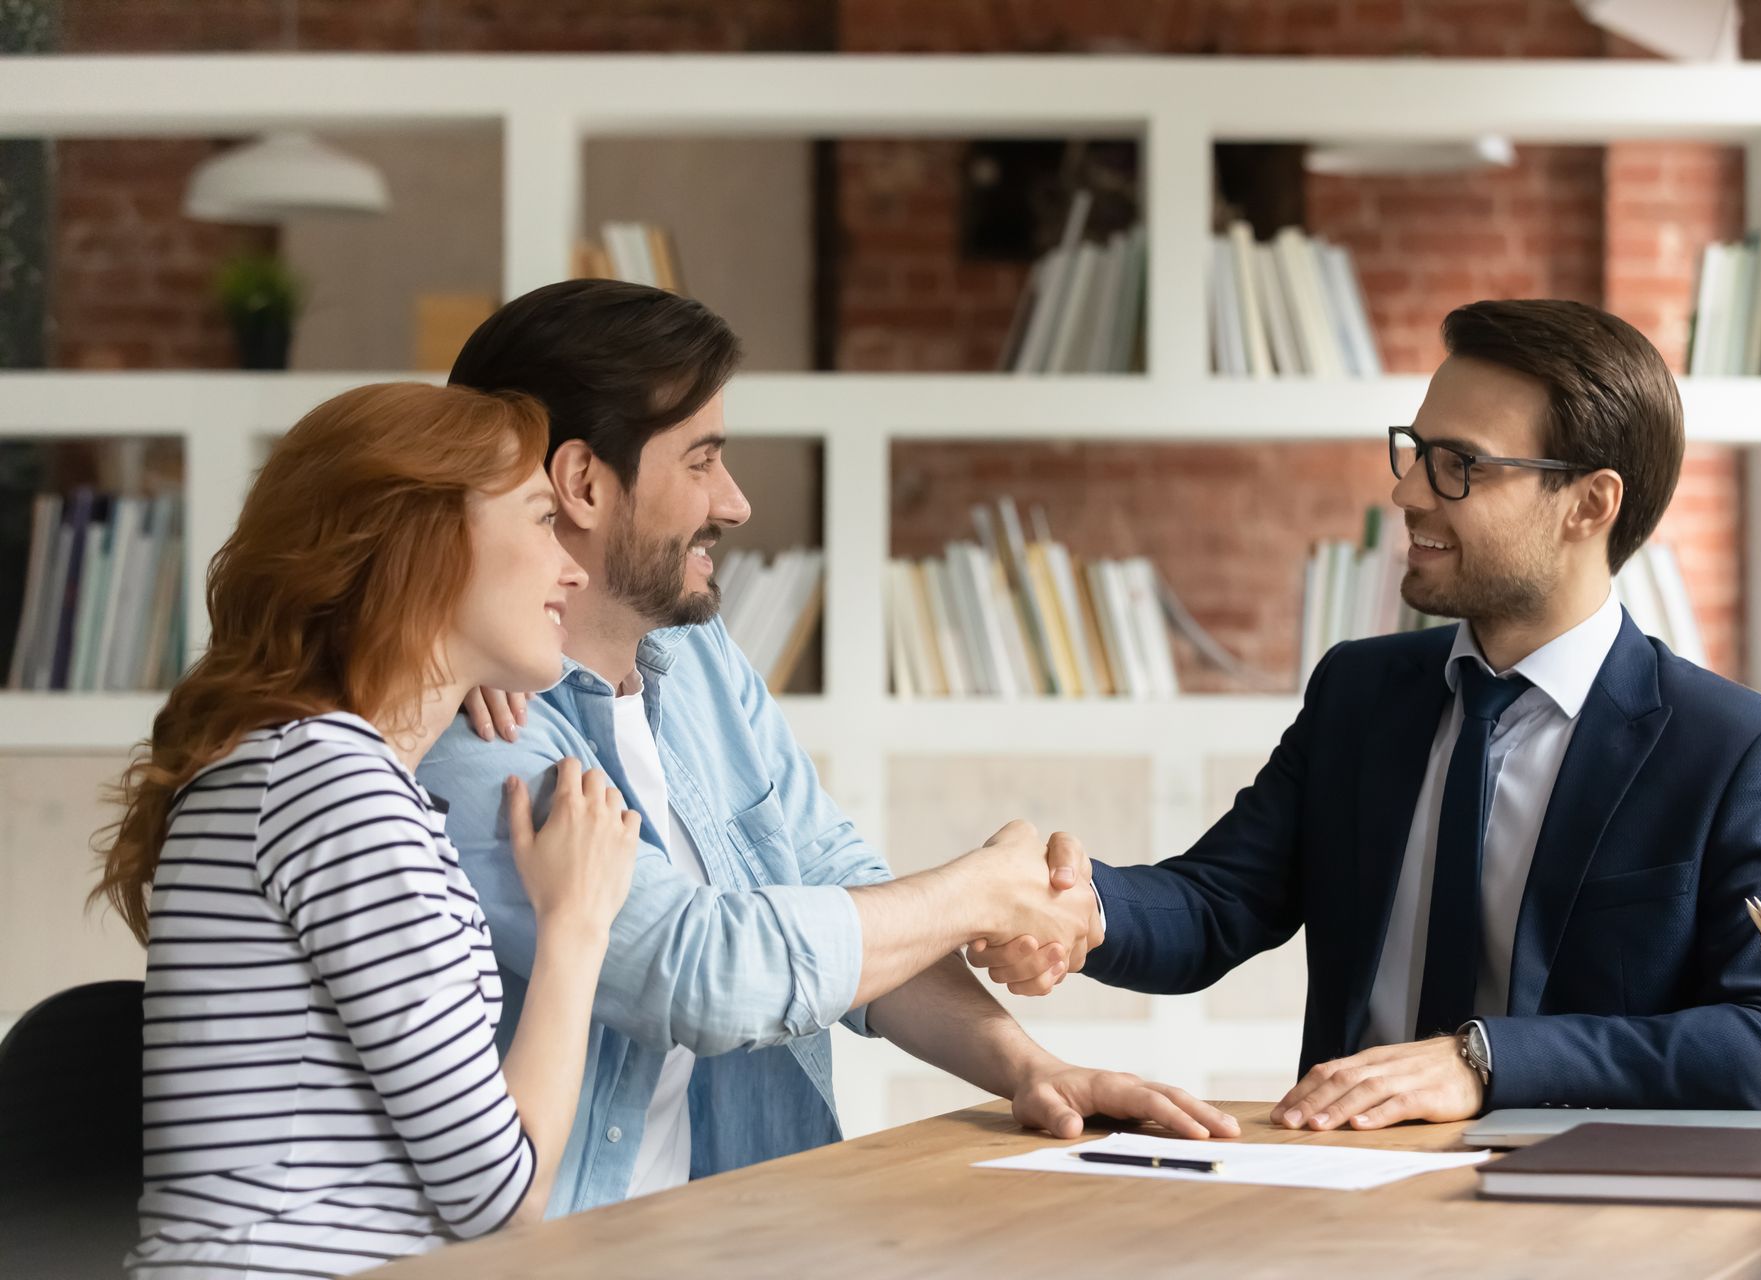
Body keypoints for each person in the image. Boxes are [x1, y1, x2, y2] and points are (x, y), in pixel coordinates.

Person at [418, 279, 1234, 1217]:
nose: (735, 503)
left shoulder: (698, 657)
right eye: (703, 460)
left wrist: (1030, 1069)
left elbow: (836, 887)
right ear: (584, 483)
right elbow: (700, 972)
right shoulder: (472, 722)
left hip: (750, 1226)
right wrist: (980, 889)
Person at [979, 299, 1761, 1128]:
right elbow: (1217, 903)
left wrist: (1485, 1061)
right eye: (1417, 450)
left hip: (1574, 1213)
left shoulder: (1736, 753)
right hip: (1336, 1183)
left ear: (1590, 504)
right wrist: (1081, 910)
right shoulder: (1360, 692)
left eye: (1459, 464)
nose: (1410, 494)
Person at [94, 384, 642, 1277]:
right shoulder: (332, 783)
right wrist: (578, 922)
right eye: (543, 520)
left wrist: (457, 658)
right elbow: (499, 1196)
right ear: (423, 541)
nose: (573, 567)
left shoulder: (312, 769)